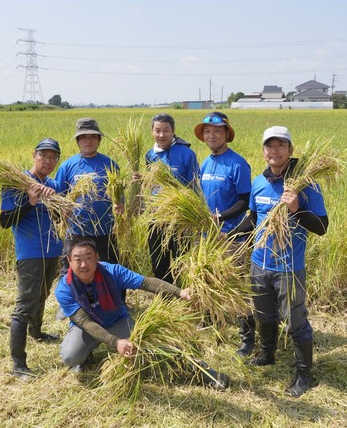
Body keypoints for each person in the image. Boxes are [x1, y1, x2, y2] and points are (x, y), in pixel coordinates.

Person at [54, 237, 229, 390]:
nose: (84, 264)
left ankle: (206, 373)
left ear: (97, 258)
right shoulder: (64, 288)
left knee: (157, 347)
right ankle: (86, 356)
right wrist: (115, 342)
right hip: (87, 327)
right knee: (70, 357)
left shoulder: (112, 271)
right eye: (78, 259)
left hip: (117, 321)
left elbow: (146, 283)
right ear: (69, 260)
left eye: (88, 258)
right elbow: (84, 322)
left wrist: (179, 292)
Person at [231, 126, 328, 397]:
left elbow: (322, 227)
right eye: (269, 146)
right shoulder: (259, 182)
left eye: (280, 145)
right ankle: (267, 354)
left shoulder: (306, 185)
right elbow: (253, 218)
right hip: (259, 264)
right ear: (263, 151)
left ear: (290, 150)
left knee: (296, 321)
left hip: (289, 267)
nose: (274, 151)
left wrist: (297, 208)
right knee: (264, 314)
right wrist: (227, 233)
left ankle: (304, 374)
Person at [0, 138, 64, 380]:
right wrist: (31, 202)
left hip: (52, 250)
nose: (47, 161)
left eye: (53, 157)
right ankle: (18, 363)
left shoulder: (54, 184)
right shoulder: (16, 184)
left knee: (43, 294)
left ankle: (37, 332)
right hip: (30, 252)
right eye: (43, 156)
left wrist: (58, 204)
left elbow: (59, 218)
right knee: (25, 304)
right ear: (34, 155)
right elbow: (5, 221)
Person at [193, 111, 254, 358]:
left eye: (217, 131)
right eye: (207, 132)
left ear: (226, 134)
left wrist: (221, 219)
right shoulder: (206, 163)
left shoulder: (237, 163)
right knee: (209, 280)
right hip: (207, 238)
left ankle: (247, 338)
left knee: (237, 287)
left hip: (231, 237)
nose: (211, 135)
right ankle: (212, 322)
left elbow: (244, 202)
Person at [55, 118, 122, 278]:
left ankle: (115, 303)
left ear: (99, 140)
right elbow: (58, 199)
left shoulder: (110, 165)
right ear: (78, 140)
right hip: (76, 231)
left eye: (93, 136)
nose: (88, 140)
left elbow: (119, 197)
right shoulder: (68, 165)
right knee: (72, 271)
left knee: (110, 270)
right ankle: (72, 303)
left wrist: (120, 206)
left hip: (105, 230)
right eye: (84, 137)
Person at [144, 113, 200, 285]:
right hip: (156, 215)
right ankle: (164, 295)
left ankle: (183, 292)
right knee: (158, 256)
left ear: (173, 131)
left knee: (180, 257)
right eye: (157, 130)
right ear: (152, 132)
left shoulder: (186, 154)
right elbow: (150, 183)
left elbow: (195, 186)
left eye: (166, 130)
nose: (161, 135)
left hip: (180, 216)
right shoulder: (150, 155)